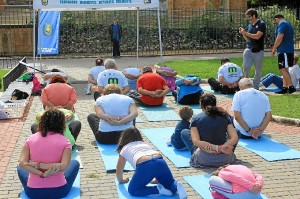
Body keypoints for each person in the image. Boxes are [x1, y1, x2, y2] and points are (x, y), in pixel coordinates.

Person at [17, 109, 80, 199]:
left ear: (42, 122)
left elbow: (22, 163)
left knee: (20, 166)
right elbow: (64, 166)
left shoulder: (31, 139)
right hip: (59, 191)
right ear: (62, 124)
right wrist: (45, 168)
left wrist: (40, 171)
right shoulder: (65, 141)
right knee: (75, 163)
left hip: (33, 193)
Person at [116, 127, 188, 199]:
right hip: (160, 161)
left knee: (133, 190)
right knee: (169, 185)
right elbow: (154, 164)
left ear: (124, 138)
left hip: (144, 164)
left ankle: (157, 190)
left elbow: (119, 168)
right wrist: (157, 178)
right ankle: (177, 185)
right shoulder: (144, 144)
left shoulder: (124, 148)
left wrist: (121, 180)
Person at [181, 93, 238, 168]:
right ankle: (227, 149)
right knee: (237, 131)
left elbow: (196, 142)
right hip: (226, 158)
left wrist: (217, 148)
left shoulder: (196, 118)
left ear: (201, 105)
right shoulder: (225, 116)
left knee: (184, 132)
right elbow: (234, 138)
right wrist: (222, 148)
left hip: (204, 159)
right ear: (215, 104)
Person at [239, 8, 266, 90]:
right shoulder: (249, 25)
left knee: (258, 71)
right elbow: (248, 39)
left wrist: (246, 33)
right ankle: (245, 86)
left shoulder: (261, 24)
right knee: (246, 67)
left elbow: (257, 36)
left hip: (258, 51)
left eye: (249, 17)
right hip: (248, 49)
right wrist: (243, 33)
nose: (248, 19)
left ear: (254, 16)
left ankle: (256, 87)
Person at [272, 14, 296, 94]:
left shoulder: (282, 24)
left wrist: (274, 48)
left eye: (275, 21)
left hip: (284, 50)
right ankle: (284, 88)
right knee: (285, 69)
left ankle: (291, 87)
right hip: (288, 50)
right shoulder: (288, 24)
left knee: (282, 68)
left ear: (276, 19)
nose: (275, 23)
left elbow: (280, 36)